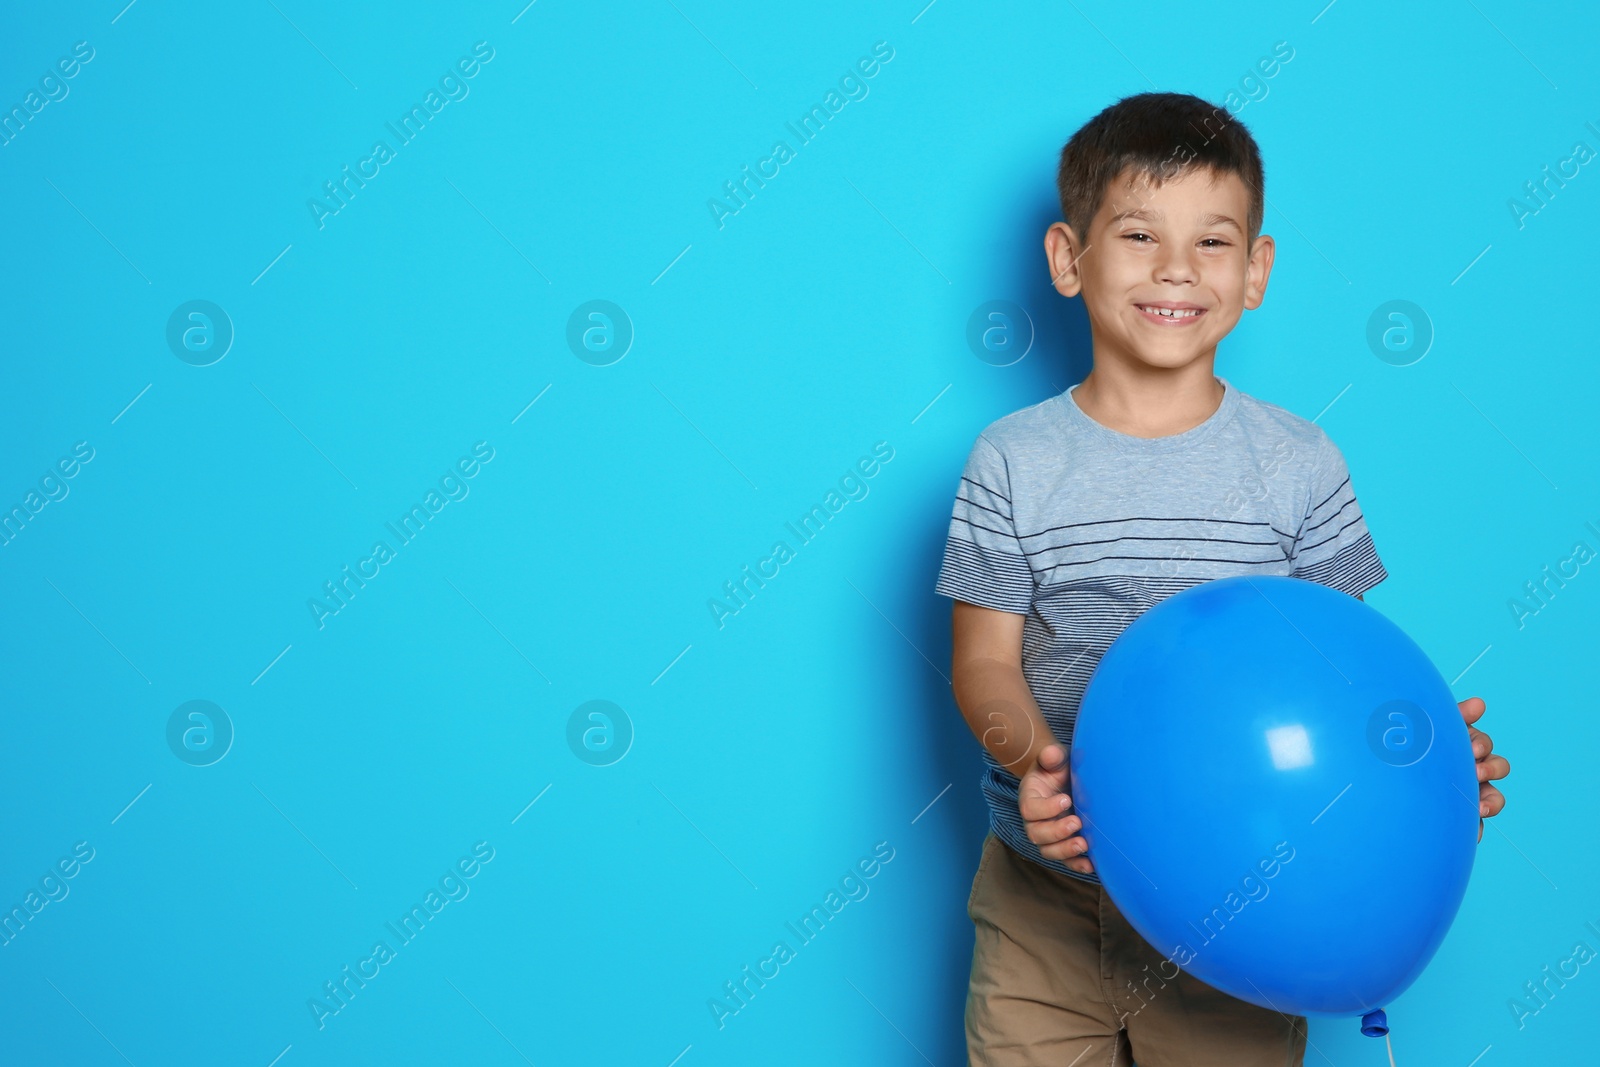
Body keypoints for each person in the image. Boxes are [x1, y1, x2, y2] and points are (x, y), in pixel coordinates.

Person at [934, 91, 1511, 1067]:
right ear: (1068, 260)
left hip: (1243, 902)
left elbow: (1343, 668)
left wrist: (1416, 755)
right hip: (1047, 903)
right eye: (1136, 234)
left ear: (1256, 271)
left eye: (1211, 241)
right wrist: (1038, 761)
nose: (1174, 269)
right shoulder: (1012, 459)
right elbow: (980, 662)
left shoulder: (1297, 460)